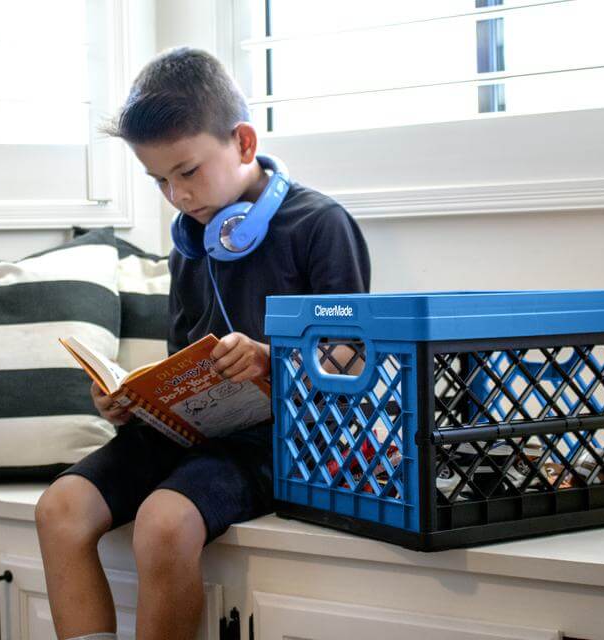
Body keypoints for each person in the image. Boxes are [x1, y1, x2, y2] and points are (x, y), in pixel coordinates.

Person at [35, 46, 370, 640]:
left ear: (243, 142)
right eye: (160, 181)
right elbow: (181, 361)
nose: (178, 196)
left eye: (187, 171)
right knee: (59, 510)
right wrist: (131, 401)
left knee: (163, 523)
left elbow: (354, 359)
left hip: (278, 443)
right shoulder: (191, 242)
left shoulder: (320, 225)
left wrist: (273, 361)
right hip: (194, 436)